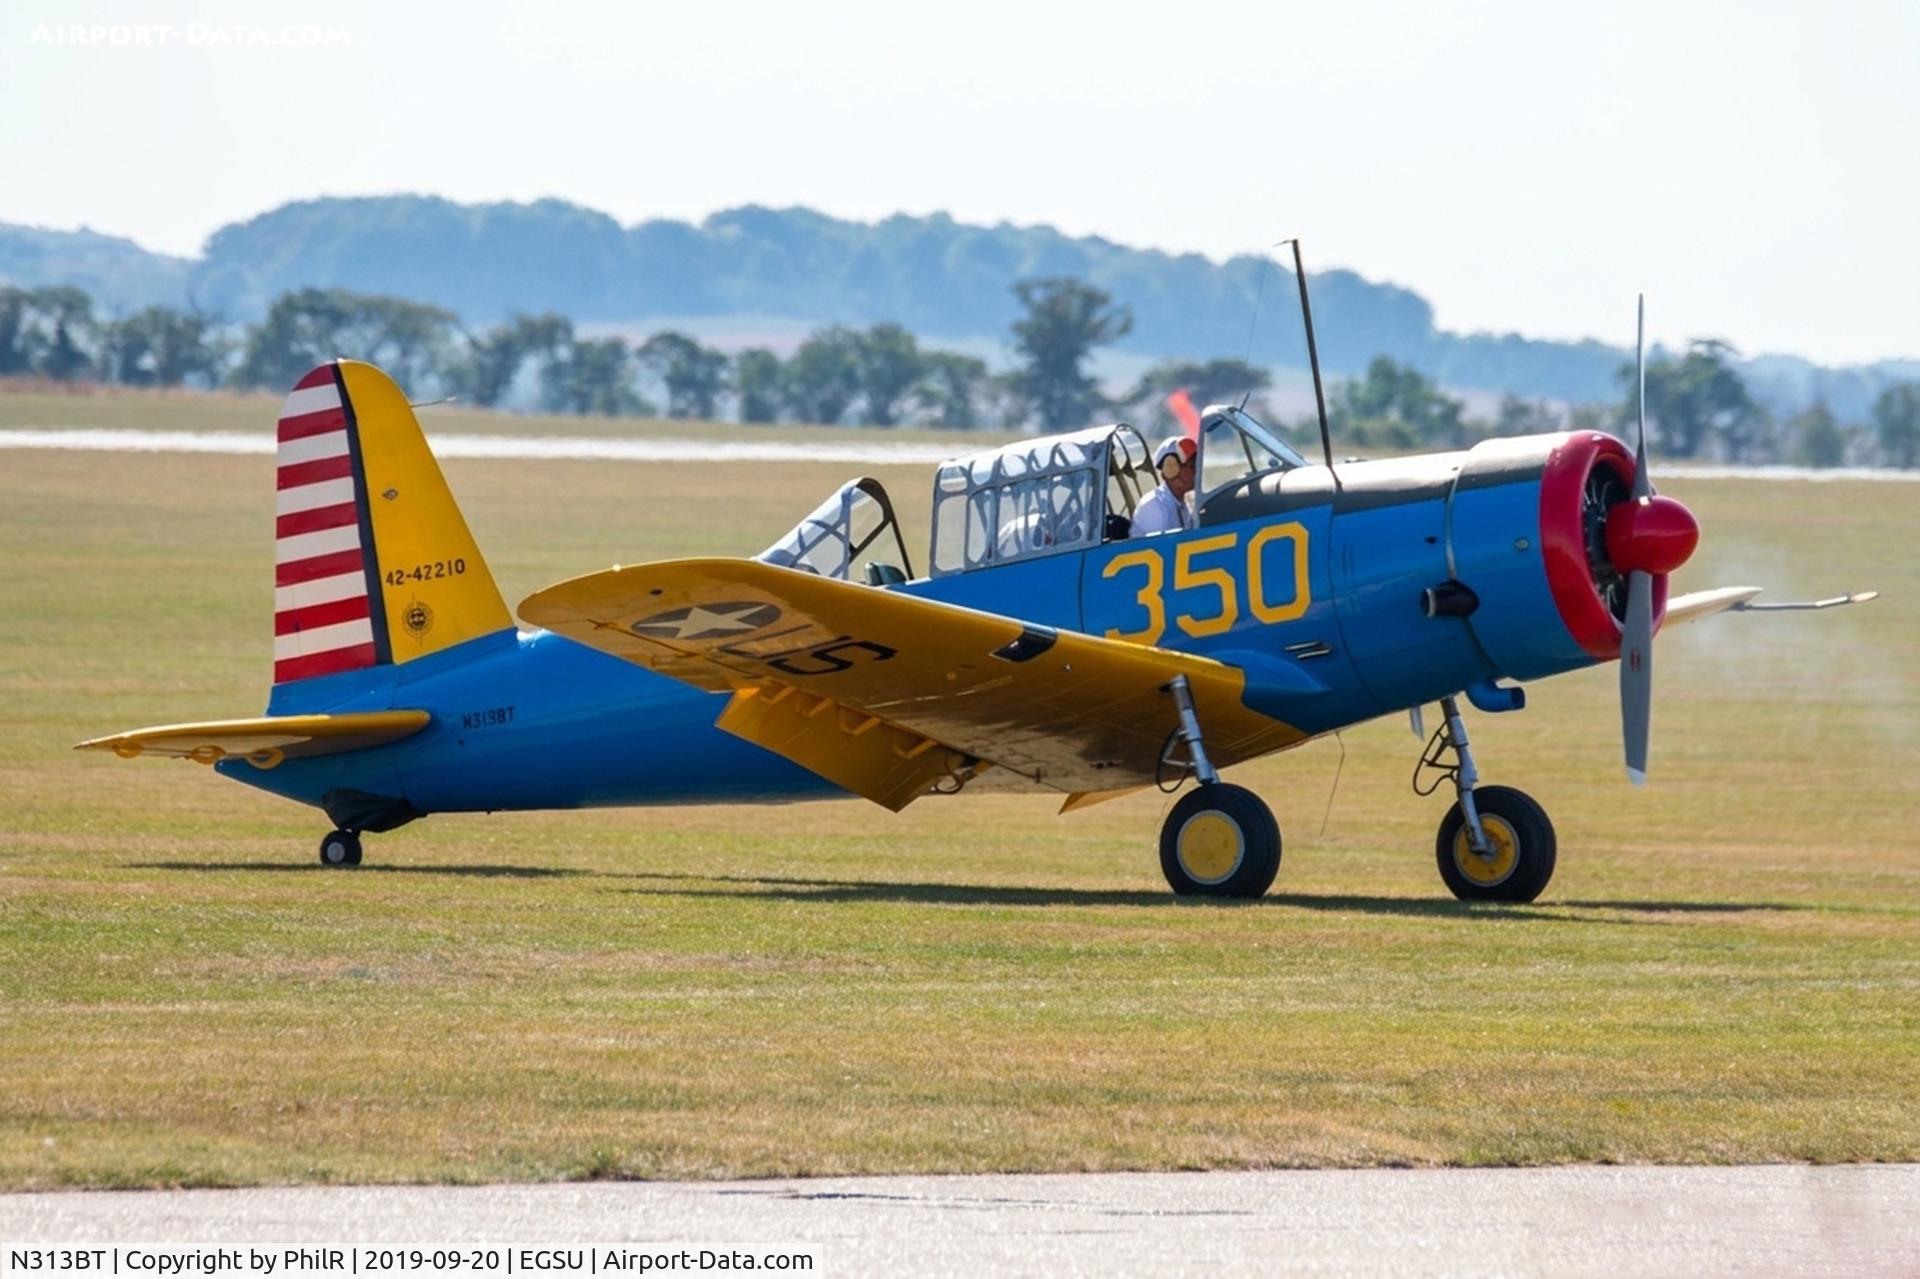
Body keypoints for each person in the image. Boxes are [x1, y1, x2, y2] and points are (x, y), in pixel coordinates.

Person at [1130, 436, 1196, 536]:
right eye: (1192, 467)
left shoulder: (1185, 503)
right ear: (1172, 471)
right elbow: (1160, 547)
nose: (1196, 472)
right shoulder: (1153, 506)